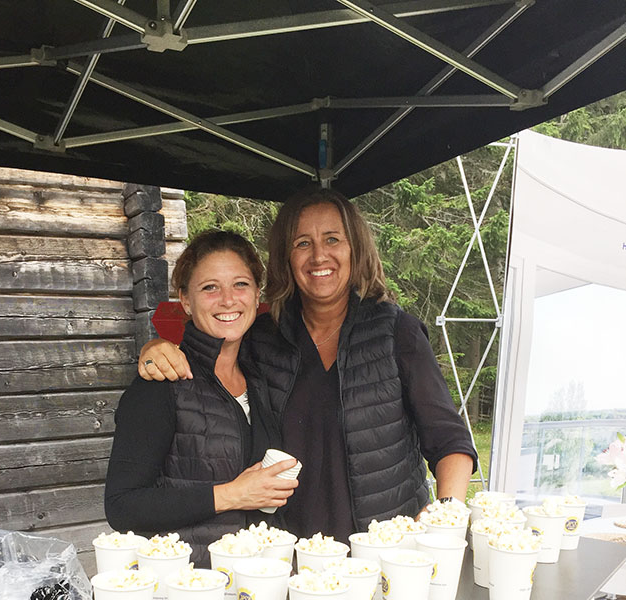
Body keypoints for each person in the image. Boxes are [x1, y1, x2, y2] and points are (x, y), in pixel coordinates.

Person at [138, 189, 477, 544]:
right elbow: (208, 353)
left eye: (333, 239)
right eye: (302, 243)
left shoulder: (395, 333)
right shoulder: (262, 337)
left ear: (354, 248)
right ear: (286, 256)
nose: (319, 256)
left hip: (384, 551)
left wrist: (447, 508)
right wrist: (155, 347)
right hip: (288, 553)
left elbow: (448, 438)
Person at [105, 230, 298, 566]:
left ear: (256, 295)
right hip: (187, 588)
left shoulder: (262, 377)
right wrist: (231, 495)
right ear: (186, 300)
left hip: (255, 584)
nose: (227, 300)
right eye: (210, 287)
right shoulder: (162, 382)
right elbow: (122, 506)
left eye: (241, 284)